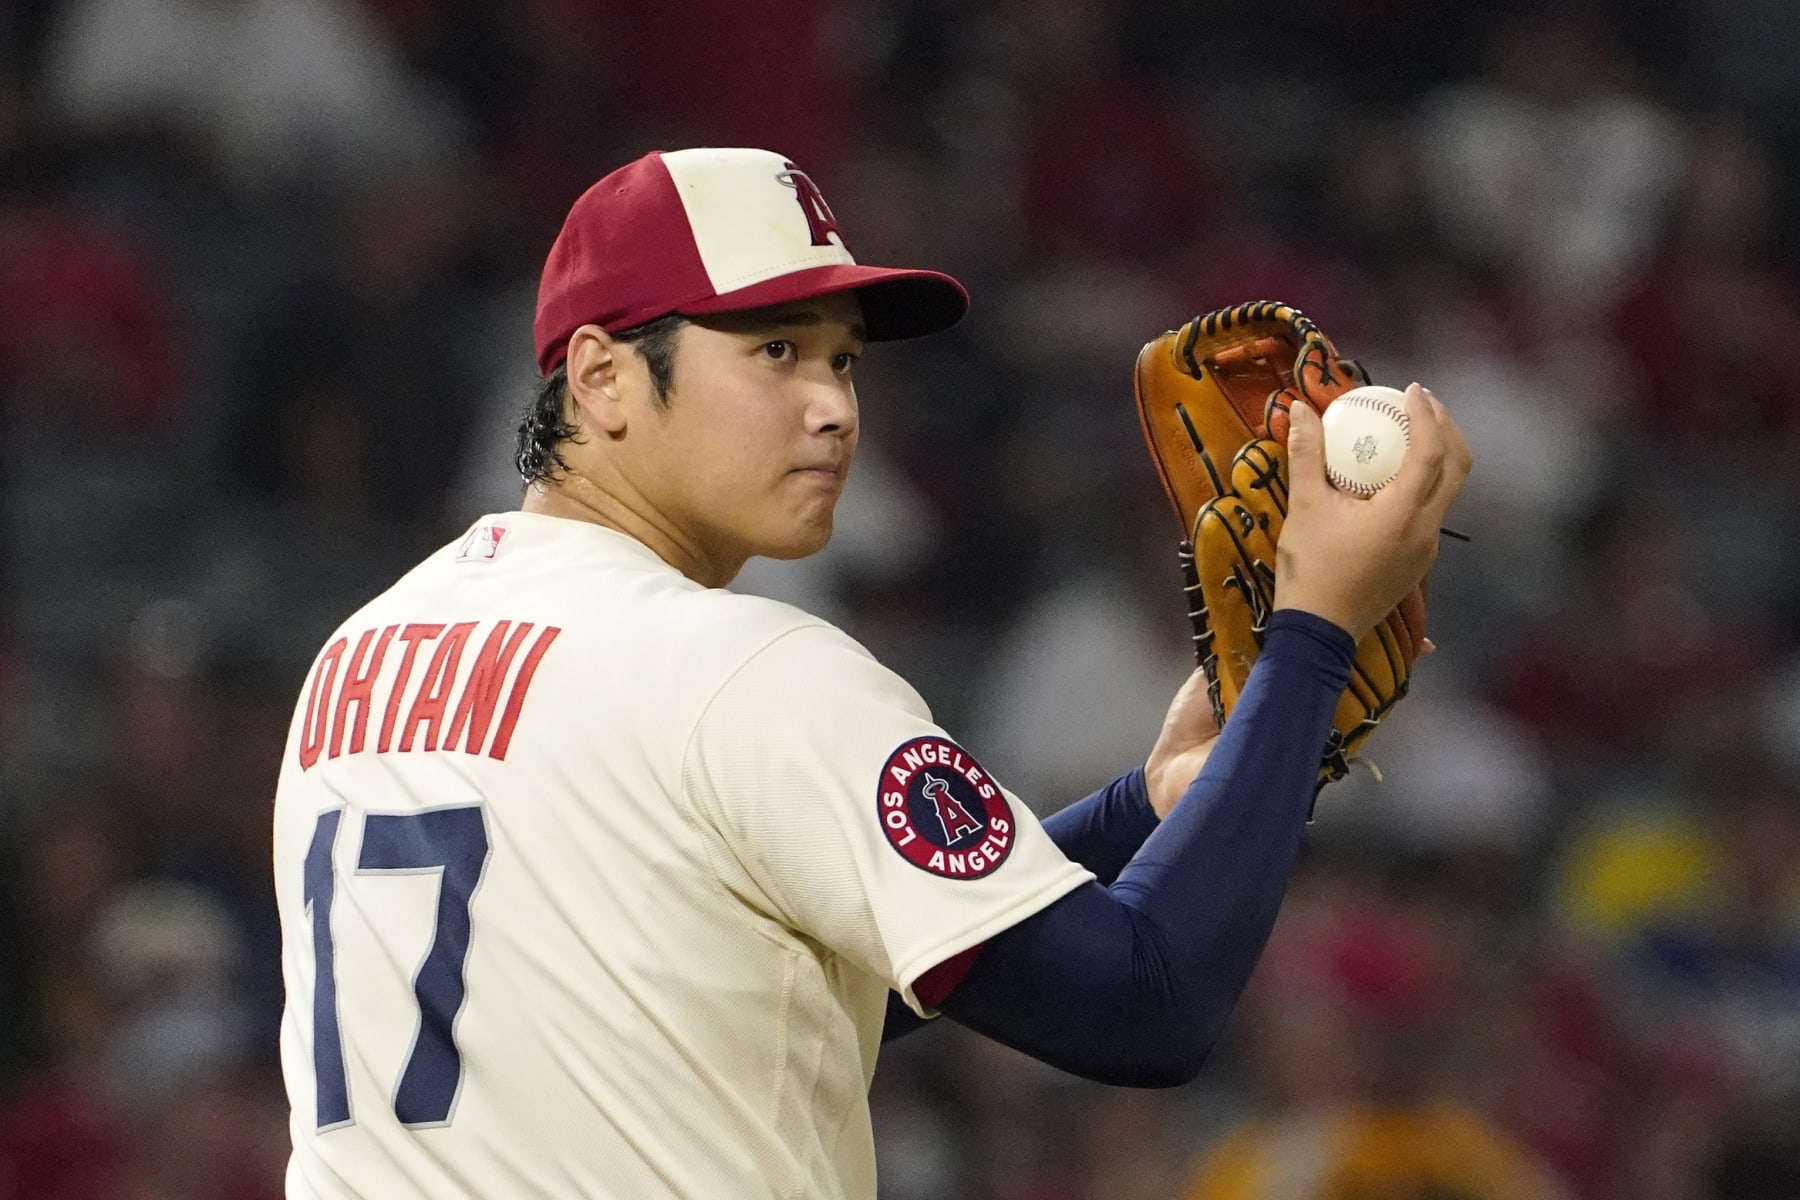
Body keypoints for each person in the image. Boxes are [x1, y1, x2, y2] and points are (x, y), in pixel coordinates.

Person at [271, 146, 1472, 1199]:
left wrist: (1144, 810)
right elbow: (1142, 1008)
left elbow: (766, 991)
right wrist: (1313, 633)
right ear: (599, 378)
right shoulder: (746, 670)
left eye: (841, 361)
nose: (832, 409)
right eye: (775, 349)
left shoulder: (358, 658)